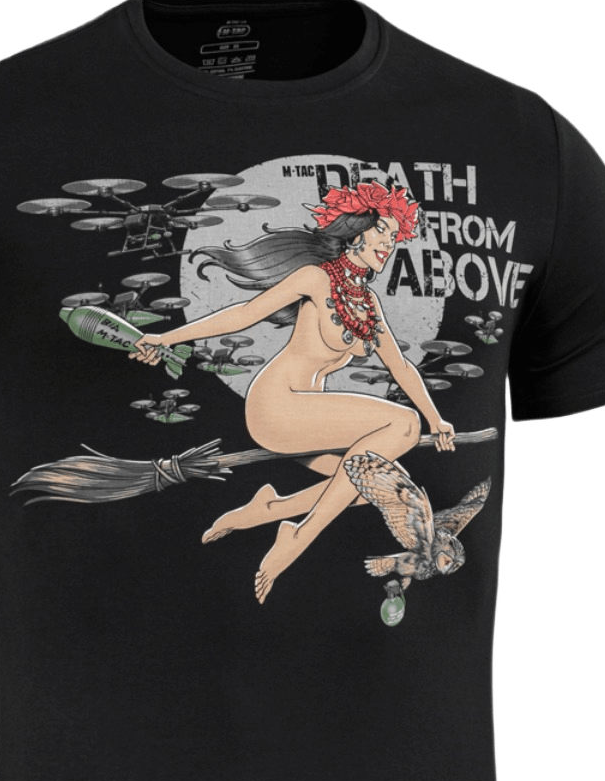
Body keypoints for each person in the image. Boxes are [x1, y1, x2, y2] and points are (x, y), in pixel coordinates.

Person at [132, 180, 456, 602]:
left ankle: (268, 510)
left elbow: (401, 367)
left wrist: (438, 420)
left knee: (383, 483)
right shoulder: (316, 279)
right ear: (356, 231)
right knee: (404, 424)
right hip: (276, 407)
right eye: (382, 231)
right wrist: (166, 338)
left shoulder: (367, 304)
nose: (389, 244)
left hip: (308, 422)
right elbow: (244, 314)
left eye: (394, 237)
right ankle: (299, 537)